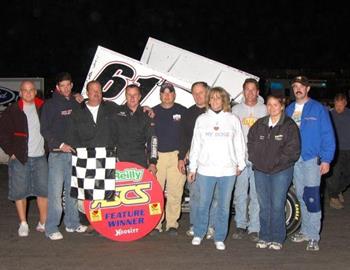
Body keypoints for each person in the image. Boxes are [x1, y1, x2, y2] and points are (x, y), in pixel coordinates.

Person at [188, 87, 246, 251]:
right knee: (203, 203)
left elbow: (239, 143)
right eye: (212, 98)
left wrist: (240, 164)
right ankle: (199, 233)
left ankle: (219, 237)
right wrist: (193, 168)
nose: (214, 101)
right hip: (205, 170)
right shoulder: (202, 119)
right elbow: (196, 145)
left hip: (227, 171)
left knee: (223, 206)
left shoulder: (233, 119)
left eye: (218, 98)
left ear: (224, 100)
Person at [286, 76, 335, 251]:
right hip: (294, 160)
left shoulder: (319, 109)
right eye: (294, 86)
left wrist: (327, 159)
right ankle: (305, 231)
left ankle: (314, 236)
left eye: (301, 86)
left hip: (311, 159)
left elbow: (328, 135)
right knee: (300, 196)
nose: (297, 89)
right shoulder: (289, 109)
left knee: (312, 197)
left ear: (307, 89)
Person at [248, 95, 300, 250]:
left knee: (277, 205)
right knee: (264, 205)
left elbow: (293, 151)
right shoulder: (259, 124)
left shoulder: (289, 126)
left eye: (275, 104)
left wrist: (275, 163)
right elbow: (250, 143)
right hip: (260, 171)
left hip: (281, 171)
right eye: (269, 105)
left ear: (282, 106)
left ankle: (277, 238)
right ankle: (264, 236)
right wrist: (256, 160)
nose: (272, 108)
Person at [40, 72, 87, 240]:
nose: (66, 88)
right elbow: (44, 129)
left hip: (74, 155)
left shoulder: (76, 101)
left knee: (72, 192)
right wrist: (60, 145)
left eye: (68, 85)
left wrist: (81, 100)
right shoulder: (50, 105)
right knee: (55, 193)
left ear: (72, 85)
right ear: (57, 87)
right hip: (57, 155)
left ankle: (72, 223)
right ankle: (51, 228)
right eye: (62, 86)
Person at [0, 80, 48, 237]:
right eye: (24, 90)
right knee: (20, 192)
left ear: (35, 92)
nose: (28, 93)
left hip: (40, 157)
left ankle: (43, 222)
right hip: (20, 158)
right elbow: (3, 134)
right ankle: (23, 223)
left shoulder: (44, 107)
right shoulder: (12, 111)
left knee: (43, 192)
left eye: (31, 90)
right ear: (20, 93)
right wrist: (11, 151)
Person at [178, 81, 216, 239]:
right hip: (194, 162)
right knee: (195, 194)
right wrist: (181, 158)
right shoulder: (188, 113)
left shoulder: (217, 112)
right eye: (195, 93)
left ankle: (211, 226)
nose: (198, 96)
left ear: (208, 92)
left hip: (213, 162)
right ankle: (195, 224)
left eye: (201, 92)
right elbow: (184, 138)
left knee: (213, 196)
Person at [231, 78, 267, 242]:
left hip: (259, 160)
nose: (250, 92)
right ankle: (240, 225)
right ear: (243, 91)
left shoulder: (266, 109)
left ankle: (254, 227)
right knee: (240, 194)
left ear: (258, 92)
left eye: (253, 89)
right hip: (240, 159)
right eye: (247, 89)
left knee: (256, 194)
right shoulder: (235, 110)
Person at [152, 82, 187, 235]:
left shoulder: (183, 111)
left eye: (170, 92)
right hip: (157, 156)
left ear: (174, 95)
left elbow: (188, 135)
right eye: (163, 92)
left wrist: (184, 155)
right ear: (160, 95)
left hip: (176, 156)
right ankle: (156, 224)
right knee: (156, 193)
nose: (166, 95)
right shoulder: (152, 111)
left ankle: (172, 224)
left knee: (175, 191)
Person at [114, 84, 157, 174]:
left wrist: (153, 163)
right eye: (129, 95)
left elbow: (152, 140)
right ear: (125, 96)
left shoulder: (147, 114)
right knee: (121, 187)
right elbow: (96, 101)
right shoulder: (116, 111)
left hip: (140, 158)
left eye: (135, 95)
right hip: (120, 158)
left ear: (140, 96)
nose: (132, 97)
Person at [326, 93, 350, 209]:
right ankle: (333, 197)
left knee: (347, 175)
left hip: (348, 149)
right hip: (335, 149)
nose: (338, 108)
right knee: (334, 175)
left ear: (345, 104)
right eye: (336, 105)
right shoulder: (329, 115)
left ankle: (338, 190)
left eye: (341, 105)